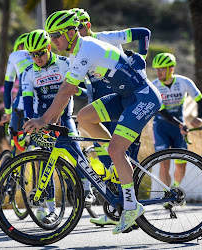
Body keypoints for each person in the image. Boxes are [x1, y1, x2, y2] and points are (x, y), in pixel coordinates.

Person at [23, 10, 162, 234]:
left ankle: (131, 207)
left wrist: (44, 119)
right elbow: (65, 91)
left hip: (142, 96)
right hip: (125, 97)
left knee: (116, 150)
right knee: (85, 117)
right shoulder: (75, 53)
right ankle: (119, 165)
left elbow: (67, 90)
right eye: (51, 36)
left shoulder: (86, 48)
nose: (53, 40)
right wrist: (51, 122)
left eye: (57, 34)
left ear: (71, 32)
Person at [71, 7, 150, 227]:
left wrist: (140, 58)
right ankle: (118, 209)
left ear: (87, 26)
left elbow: (143, 32)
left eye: (79, 28)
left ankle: (132, 210)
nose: (77, 33)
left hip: (128, 99)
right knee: (109, 164)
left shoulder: (105, 38)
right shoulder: (76, 52)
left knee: (123, 155)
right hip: (105, 104)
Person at [21, 29, 90, 224]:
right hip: (43, 121)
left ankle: (87, 189)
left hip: (65, 117)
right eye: (32, 55)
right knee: (45, 164)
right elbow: (27, 104)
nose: (37, 58)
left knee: (76, 153)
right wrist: (32, 122)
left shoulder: (65, 64)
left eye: (40, 53)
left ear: (49, 48)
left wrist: (78, 91)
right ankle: (51, 210)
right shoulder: (28, 73)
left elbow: (85, 92)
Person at [151, 52, 202, 202]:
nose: (158, 72)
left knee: (181, 165)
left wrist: (199, 117)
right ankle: (167, 196)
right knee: (164, 164)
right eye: (156, 69)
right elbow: (162, 112)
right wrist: (180, 124)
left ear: (171, 69)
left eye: (161, 68)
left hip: (179, 128)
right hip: (161, 127)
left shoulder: (184, 82)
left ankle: (176, 190)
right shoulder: (154, 86)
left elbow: (201, 101)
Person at [0, 33, 33, 149]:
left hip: (22, 105)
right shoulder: (42, 55)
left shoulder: (15, 55)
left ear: (19, 47)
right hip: (45, 105)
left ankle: (16, 157)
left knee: (16, 147)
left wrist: (8, 114)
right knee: (40, 148)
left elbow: (8, 88)